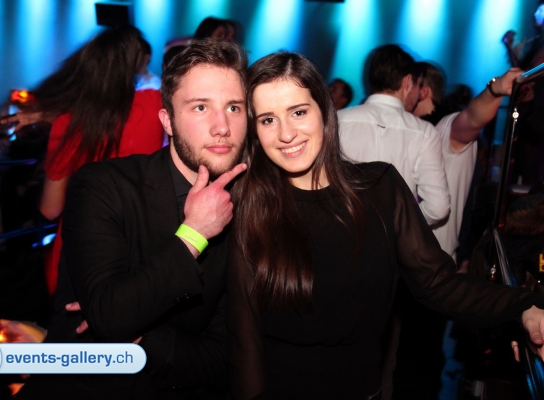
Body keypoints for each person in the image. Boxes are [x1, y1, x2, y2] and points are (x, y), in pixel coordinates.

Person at [226, 51, 544, 400]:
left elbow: (439, 284)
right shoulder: (248, 205)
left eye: (298, 112)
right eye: (268, 120)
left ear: (325, 113)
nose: (286, 133)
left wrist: (524, 305)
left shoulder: (380, 188)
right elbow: (243, 339)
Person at [17, 38, 248, 400]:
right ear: (167, 121)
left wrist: (141, 336)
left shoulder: (251, 208)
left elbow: (230, 358)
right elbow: (111, 315)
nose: (222, 126)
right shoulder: (103, 186)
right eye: (201, 107)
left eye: (234, 107)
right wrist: (194, 233)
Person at [23, 25, 164, 295]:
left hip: (77, 258)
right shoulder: (155, 104)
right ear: (135, 63)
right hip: (136, 253)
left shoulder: (68, 122)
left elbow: (50, 209)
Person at [413, 63, 523, 260]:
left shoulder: (443, 128)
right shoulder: (409, 132)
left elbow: (472, 119)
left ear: (422, 91)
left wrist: (495, 90)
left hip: (432, 264)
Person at [338, 44, 450, 226]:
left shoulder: (337, 121)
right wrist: (401, 227)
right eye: (417, 84)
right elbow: (438, 207)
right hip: (392, 241)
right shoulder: (424, 132)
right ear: (407, 81)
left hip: (341, 233)